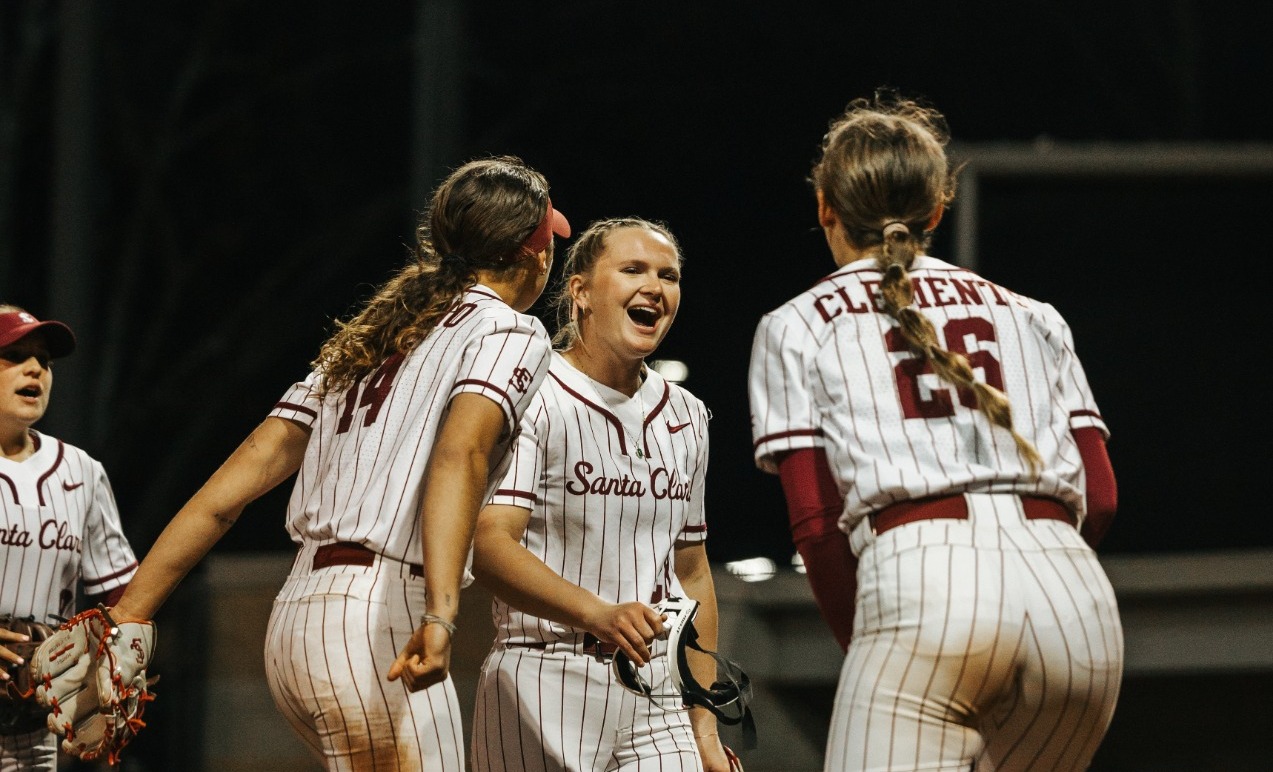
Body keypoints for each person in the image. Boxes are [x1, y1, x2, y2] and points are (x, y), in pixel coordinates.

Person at [102, 155, 570, 771]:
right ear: (533, 251)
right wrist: (441, 613)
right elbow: (462, 455)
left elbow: (231, 489)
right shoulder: (512, 330)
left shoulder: (376, 337)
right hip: (378, 615)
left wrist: (129, 613)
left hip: (297, 620)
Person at [747, 90, 1123, 771]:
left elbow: (815, 523)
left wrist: (867, 645)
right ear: (935, 209)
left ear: (825, 206)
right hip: (1076, 605)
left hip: (924, 579)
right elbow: (1099, 497)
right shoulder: (1033, 313)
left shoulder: (796, 322)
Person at [470, 217, 737, 772]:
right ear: (581, 292)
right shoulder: (534, 395)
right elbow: (490, 546)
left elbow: (692, 574)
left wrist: (704, 724)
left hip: (656, 688)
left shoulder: (687, 414)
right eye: (633, 269)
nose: (655, 287)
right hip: (542, 676)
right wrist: (597, 613)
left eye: (668, 275)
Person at [0, 306, 139, 771]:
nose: (35, 368)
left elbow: (122, 598)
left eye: (44, 360)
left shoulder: (80, 471)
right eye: (14, 355)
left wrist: (117, 666)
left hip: (36, 719)